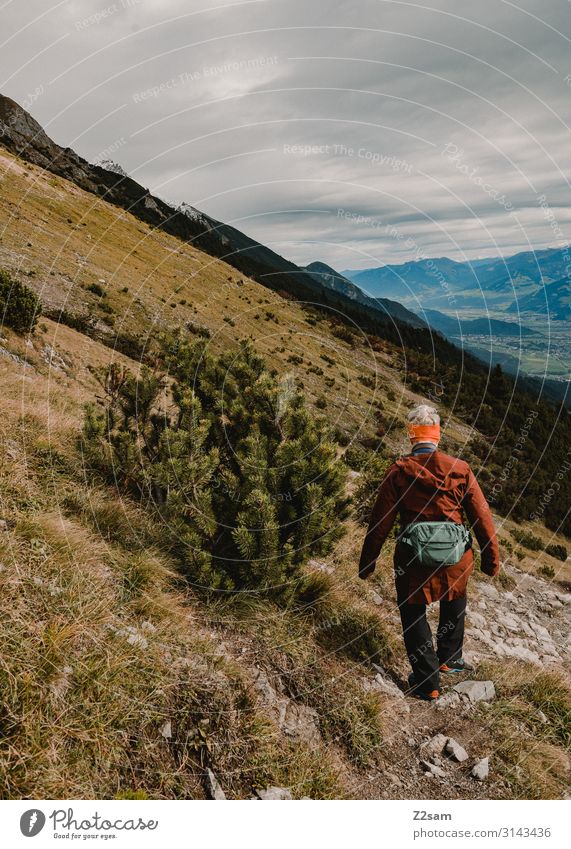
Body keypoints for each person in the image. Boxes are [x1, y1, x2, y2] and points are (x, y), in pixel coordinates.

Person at [358, 404, 500, 701]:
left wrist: (367, 565)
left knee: (412, 610)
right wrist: (491, 561)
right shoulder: (460, 470)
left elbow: (380, 523)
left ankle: (427, 681)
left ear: (412, 436)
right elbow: (482, 518)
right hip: (455, 559)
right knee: (456, 592)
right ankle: (450, 658)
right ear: (437, 435)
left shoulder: (398, 472)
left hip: (413, 560)